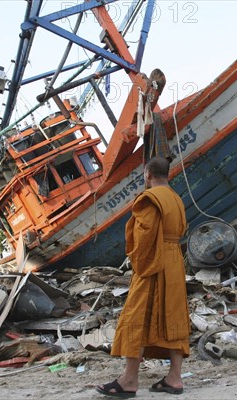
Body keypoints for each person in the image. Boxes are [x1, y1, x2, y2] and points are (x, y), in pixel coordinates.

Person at [96, 156, 190, 398]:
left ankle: (128, 380)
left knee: (137, 316)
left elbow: (144, 237)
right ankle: (175, 378)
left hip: (154, 262)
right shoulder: (177, 199)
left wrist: (139, 263)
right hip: (174, 261)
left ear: (147, 174)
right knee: (174, 317)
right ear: (166, 174)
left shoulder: (149, 199)